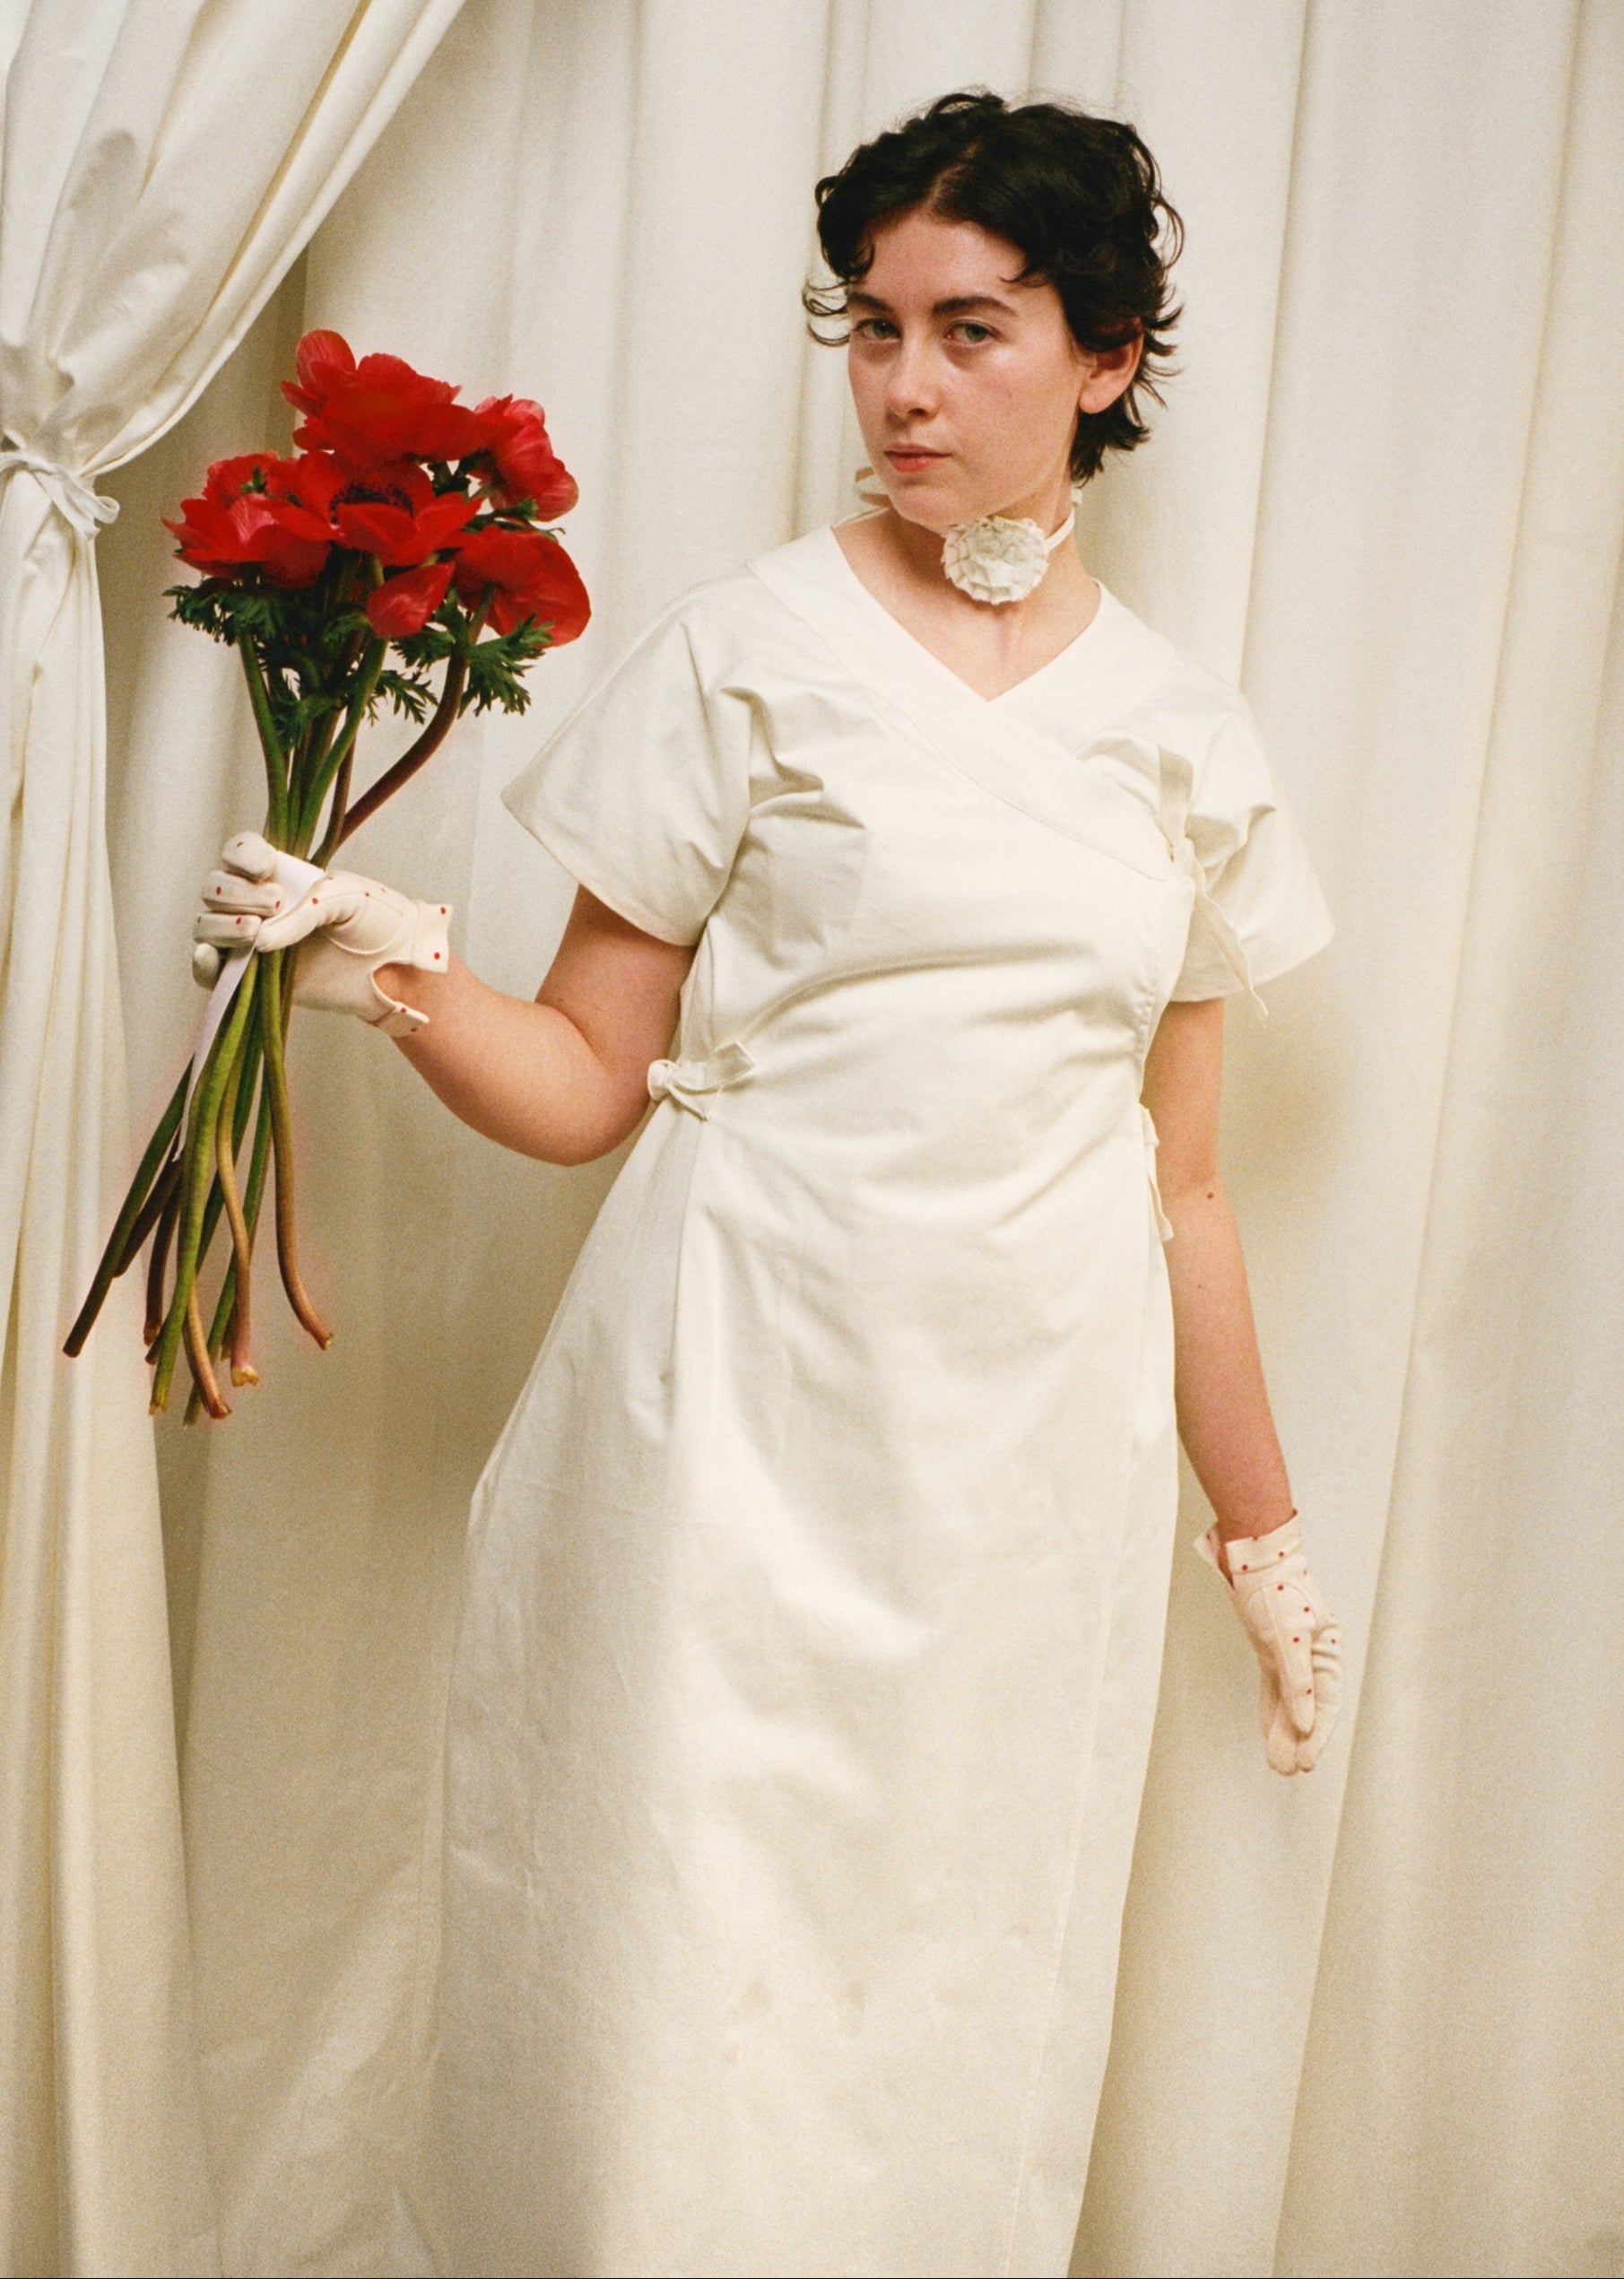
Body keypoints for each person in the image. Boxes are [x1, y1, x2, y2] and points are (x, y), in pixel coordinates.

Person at [196, 88, 1342, 2279]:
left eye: (972, 331)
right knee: (671, 1994)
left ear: (1105, 357)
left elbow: (1183, 1191)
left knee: (952, 1995)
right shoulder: (752, 644)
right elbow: (584, 1082)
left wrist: (1264, 1541)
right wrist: (386, 964)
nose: (904, 386)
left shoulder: (1186, 735)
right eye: (871, 326)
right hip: (733, 1413)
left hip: (1026, 1472)